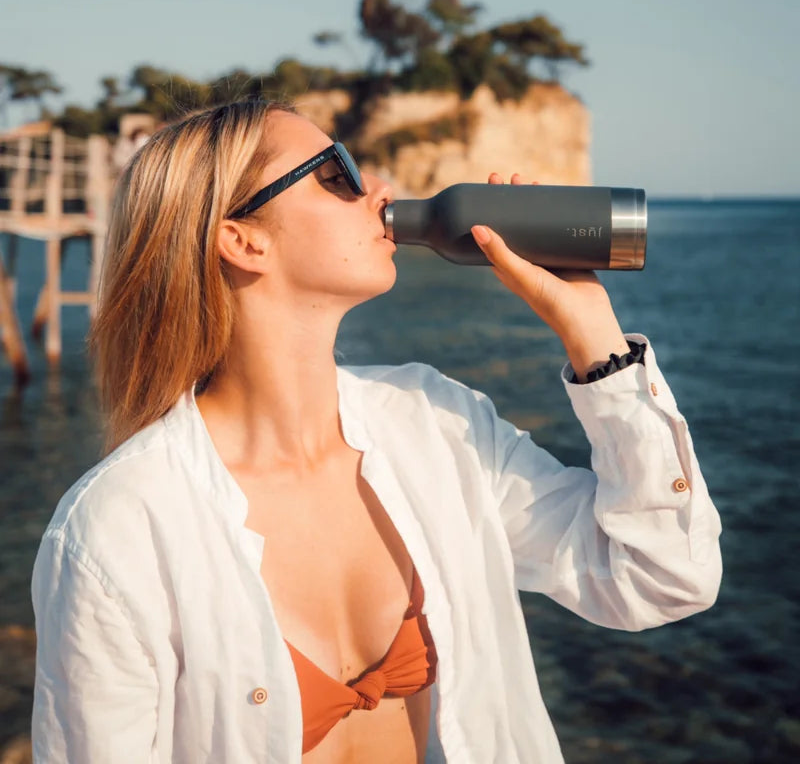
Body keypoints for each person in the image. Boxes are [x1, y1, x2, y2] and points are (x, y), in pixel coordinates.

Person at [31, 100, 722, 763]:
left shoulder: (437, 426)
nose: (378, 190)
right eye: (338, 175)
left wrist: (594, 336)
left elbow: (661, 577)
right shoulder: (120, 528)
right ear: (241, 240)